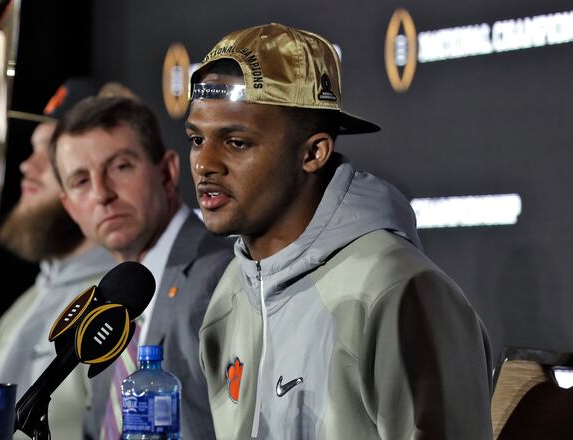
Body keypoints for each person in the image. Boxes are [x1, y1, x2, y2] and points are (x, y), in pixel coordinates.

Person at [186, 24, 493, 439]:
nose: (205, 164)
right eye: (195, 139)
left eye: (236, 142)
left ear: (313, 152)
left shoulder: (396, 288)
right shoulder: (229, 293)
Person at [49, 96, 232, 440]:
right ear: (70, 208)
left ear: (166, 172)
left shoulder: (222, 275)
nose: (102, 194)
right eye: (81, 181)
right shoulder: (104, 298)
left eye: (120, 167)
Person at [0, 78, 128, 440]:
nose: (26, 166)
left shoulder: (123, 306)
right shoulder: (18, 313)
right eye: (33, 149)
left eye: (49, 153)